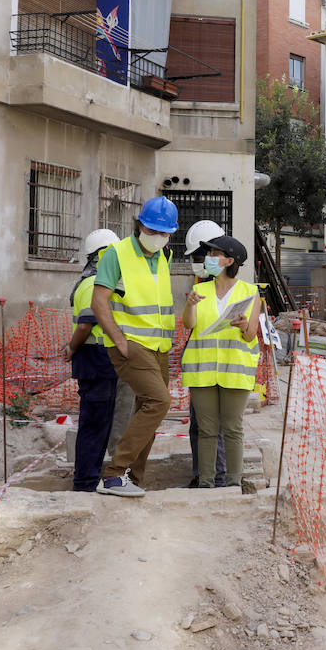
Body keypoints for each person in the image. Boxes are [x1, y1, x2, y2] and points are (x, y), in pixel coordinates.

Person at [89, 197, 179, 497]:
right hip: (131, 345)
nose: (159, 238)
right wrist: (119, 341)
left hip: (159, 347)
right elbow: (98, 302)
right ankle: (113, 474)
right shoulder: (116, 255)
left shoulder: (163, 256)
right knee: (160, 401)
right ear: (140, 225)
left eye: (165, 234)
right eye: (154, 230)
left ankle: (134, 478)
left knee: (147, 407)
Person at [181, 234, 261, 488]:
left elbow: (250, 336)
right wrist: (190, 305)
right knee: (206, 430)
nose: (209, 258)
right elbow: (189, 325)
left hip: (234, 372)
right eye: (209, 254)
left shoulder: (250, 292)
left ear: (229, 260)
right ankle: (206, 483)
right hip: (202, 372)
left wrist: (244, 324)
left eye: (214, 254)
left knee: (232, 429)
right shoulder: (199, 290)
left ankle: (233, 483)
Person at [60, 228, 121, 492]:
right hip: (95, 359)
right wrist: (72, 348)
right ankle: (84, 483)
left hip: (99, 360)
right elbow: (86, 325)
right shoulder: (93, 285)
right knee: (94, 425)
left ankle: (89, 478)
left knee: (100, 424)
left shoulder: (98, 283)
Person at [181, 219, 228, 488]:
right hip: (199, 368)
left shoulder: (229, 289)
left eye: (203, 256)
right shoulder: (202, 285)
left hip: (219, 370)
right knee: (198, 426)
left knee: (214, 429)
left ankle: (218, 479)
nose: (200, 262)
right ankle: (202, 475)